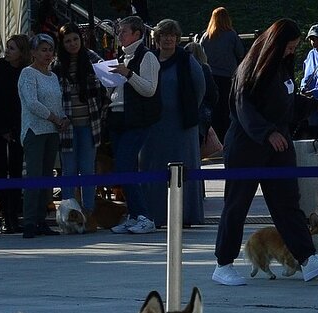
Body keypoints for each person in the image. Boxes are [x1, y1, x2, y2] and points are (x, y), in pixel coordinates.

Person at [211, 19, 318, 287]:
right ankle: (224, 263)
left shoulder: (282, 68)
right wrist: (266, 132)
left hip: (278, 147)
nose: (292, 52)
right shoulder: (250, 68)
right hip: (247, 146)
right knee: (237, 205)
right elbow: (243, 106)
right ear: (275, 44)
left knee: (288, 203)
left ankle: (307, 258)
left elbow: (288, 102)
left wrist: (316, 105)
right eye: (289, 47)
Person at [142, 19, 206, 227]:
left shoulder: (186, 59)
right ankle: (156, 216)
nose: (168, 38)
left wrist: (186, 109)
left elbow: (200, 87)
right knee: (154, 168)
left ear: (177, 38)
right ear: (157, 38)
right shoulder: (149, 59)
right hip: (154, 125)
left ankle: (186, 215)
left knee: (184, 171)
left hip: (181, 125)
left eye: (172, 35)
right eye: (163, 35)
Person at [106, 16, 161, 235]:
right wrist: (108, 84)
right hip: (118, 117)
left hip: (137, 120)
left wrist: (128, 74)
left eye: (123, 32)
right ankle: (134, 214)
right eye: (119, 32)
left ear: (137, 34)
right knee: (122, 169)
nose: (119, 35)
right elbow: (117, 92)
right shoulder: (122, 56)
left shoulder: (147, 56)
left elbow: (149, 89)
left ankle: (144, 216)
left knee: (125, 166)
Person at [55, 24, 107, 232]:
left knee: (87, 169)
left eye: (75, 39)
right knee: (68, 171)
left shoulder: (93, 59)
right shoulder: (57, 64)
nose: (72, 44)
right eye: (67, 41)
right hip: (66, 125)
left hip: (89, 122)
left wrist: (102, 114)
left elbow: (107, 87)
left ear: (81, 39)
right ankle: (68, 215)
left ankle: (88, 213)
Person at [18, 33, 69, 238]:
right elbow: (32, 103)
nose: (48, 54)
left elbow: (57, 102)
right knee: (34, 176)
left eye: (50, 50)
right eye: (43, 50)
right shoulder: (28, 74)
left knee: (47, 177)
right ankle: (29, 221)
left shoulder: (53, 76)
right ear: (33, 52)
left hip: (52, 132)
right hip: (35, 131)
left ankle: (41, 219)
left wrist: (63, 118)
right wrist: (55, 118)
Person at [0, 34, 31, 233]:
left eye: (12, 48)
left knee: (15, 169)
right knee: (0, 168)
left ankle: (14, 214)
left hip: (18, 124)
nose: (7, 51)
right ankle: (5, 214)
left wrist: (14, 129)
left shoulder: (26, 71)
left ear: (22, 52)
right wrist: (3, 128)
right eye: (7, 47)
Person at [198, 7, 244, 142]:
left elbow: (200, 55)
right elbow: (240, 52)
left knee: (214, 108)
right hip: (228, 77)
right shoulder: (231, 34)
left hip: (210, 77)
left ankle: (213, 138)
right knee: (228, 108)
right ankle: (227, 137)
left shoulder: (206, 36)